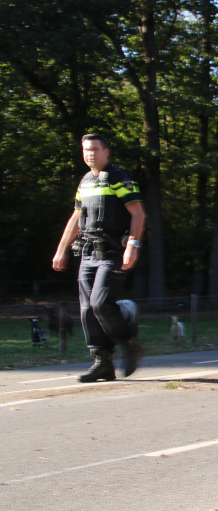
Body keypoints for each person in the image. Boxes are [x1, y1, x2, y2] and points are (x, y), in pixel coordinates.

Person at [52, 133, 146, 382]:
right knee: (86, 310)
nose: (89, 154)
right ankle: (102, 362)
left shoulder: (118, 177)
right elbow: (75, 217)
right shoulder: (84, 181)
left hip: (113, 252)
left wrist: (133, 246)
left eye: (94, 149)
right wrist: (62, 249)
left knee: (100, 303)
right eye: (86, 150)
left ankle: (129, 343)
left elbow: (138, 213)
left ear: (107, 152)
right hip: (87, 253)